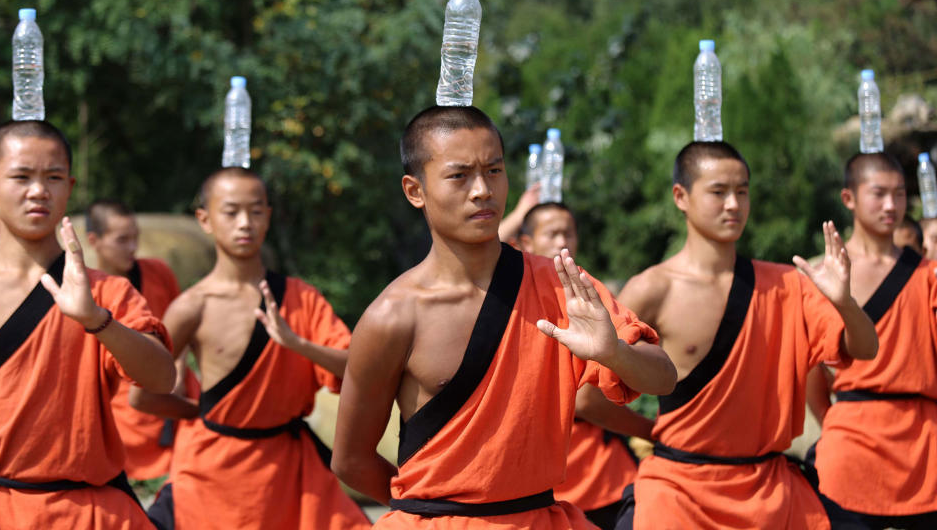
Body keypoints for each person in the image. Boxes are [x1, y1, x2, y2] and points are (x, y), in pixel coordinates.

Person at [331, 106, 676, 530]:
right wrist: (432, 510)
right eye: (459, 176)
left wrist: (614, 353)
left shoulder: (560, 285)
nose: (482, 190)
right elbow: (351, 460)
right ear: (414, 190)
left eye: (494, 171)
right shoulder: (393, 316)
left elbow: (663, 377)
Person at [614, 141, 878, 530]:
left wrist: (845, 303)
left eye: (742, 191)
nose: (734, 204)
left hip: (771, 492)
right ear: (681, 196)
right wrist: (653, 432)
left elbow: (865, 348)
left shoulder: (788, 284)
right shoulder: (653, 289)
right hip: (679, 491)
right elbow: (589, 397)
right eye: (718, 192)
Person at [131, 166, 369, 530]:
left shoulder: (299, 297)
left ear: (268, 217)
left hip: (290, 467)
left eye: (256, 211)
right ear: (204, 219)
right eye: (231, 212)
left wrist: (296, 343)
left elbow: (359, 367)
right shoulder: (193, 305)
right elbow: (143, 396)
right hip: (213, 467)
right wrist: (203, 413)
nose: (246, 223)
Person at [0, 120, 175, 529]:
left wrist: (97, 321)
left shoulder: (106, 292)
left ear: (70, 185)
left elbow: (161, 377)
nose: (38, 190)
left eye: (53, 177)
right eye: (21, 176)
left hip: (87, 514)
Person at [806, 152, 937, 529]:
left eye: (899, 195)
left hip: (922, 444)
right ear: (849, 198)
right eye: (879, 193)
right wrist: (836, 422)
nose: (891, 205)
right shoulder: (823, 274)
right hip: (851, 441)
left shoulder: (928, 275)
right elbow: (810, 370)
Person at [518, 202, 654, 529]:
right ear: (526, 243)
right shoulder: (518, 300)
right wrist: (653, 432)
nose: (562, 240)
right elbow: (585, 401)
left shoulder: (586, 291)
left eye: (568, 232)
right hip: (559, 474)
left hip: (600, 471)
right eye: (551, 233)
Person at [86, 199, 191, 483]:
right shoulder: (87, 295)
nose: (132, 248)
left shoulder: (158, 272)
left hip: (173, 390)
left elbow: (178, 328)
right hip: (125, 408)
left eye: (135, 238)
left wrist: (178, 368)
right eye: (122, 240)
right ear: (93, 241)